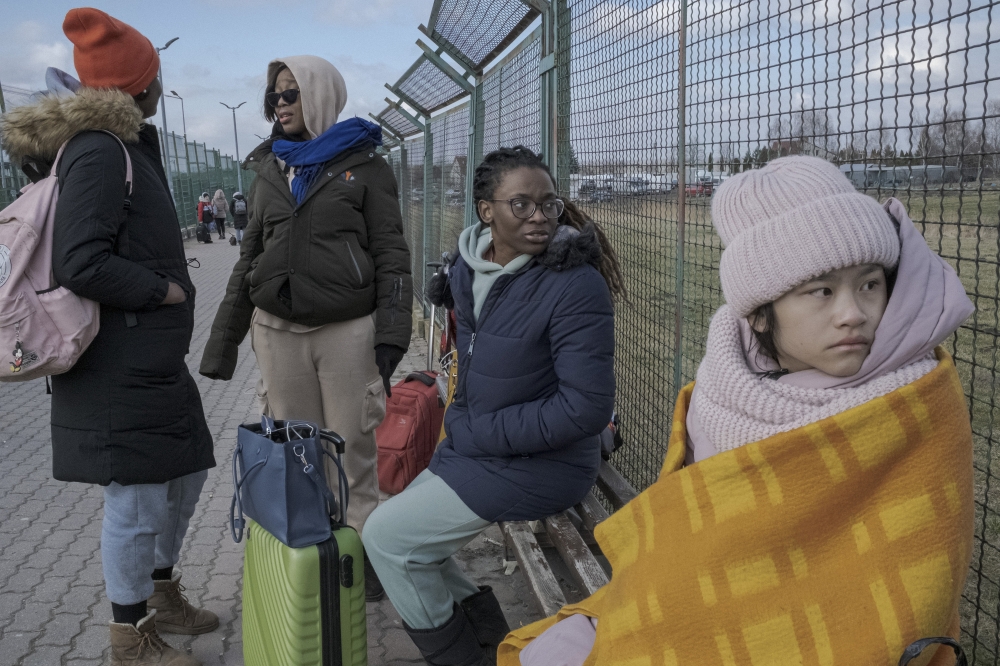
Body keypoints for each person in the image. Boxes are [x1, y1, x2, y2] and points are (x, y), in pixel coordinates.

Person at [502, 156, 976, 666]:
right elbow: (699, 542)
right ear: (757, 312)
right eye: (821, 290)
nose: (853, 313)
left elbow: (916, 581)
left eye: (869, 283)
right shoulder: (719, 392)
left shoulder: (915, 404)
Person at [1, 8, 217, 666]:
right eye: (157, 73)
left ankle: (161, 593)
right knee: (136, 498)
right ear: (141, 84)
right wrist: (164, 290)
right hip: (115, 364)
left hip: (148, 363)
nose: (161, 84)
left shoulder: (121, 145)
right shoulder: (100, 151)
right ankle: (130, 635)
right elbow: (80, 262)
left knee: (185, 474)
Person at [362, 146, 625, 666]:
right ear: (487, 211)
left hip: (544, 463)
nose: (540, 217)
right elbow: (471, 365)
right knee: (409, 544)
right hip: (475, 445)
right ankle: (493, 651)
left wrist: (485, 431)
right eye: (521, 204)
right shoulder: (467, 269)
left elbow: (586, 408)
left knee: (386, 539)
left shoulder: (574, 285)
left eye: (549, 204)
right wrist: (466, 426)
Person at [199, 55, 412, 602]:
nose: (281, 104)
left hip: (346, 335)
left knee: (351, 459)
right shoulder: (270, 167)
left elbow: (391, 254)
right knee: (298, 459)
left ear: (319, 95)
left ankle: (360, 569)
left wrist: (390, 336)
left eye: (291, 93)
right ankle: (314, 568)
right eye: (274, 95)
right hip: (276, 332)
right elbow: (249, 257)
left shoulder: (366, 167)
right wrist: (221, 344)